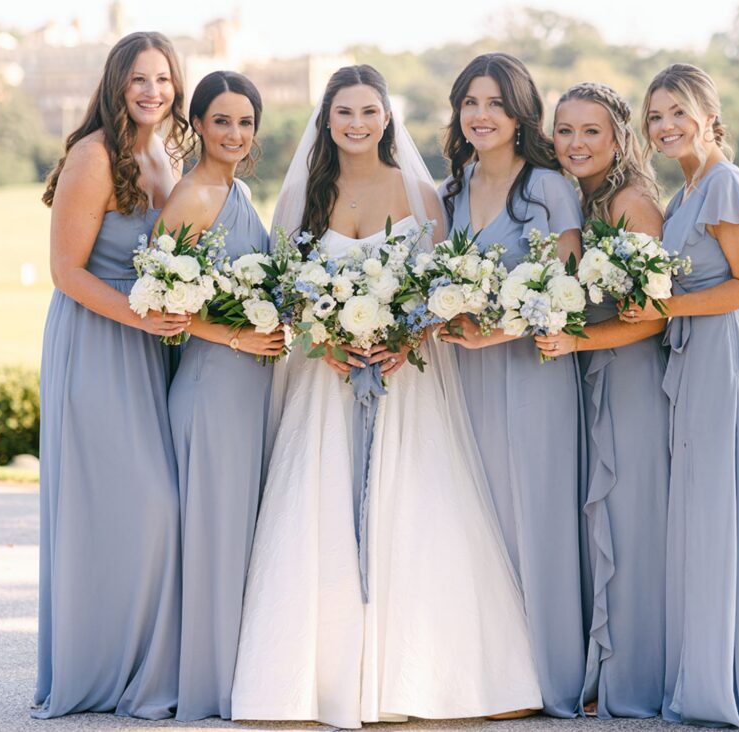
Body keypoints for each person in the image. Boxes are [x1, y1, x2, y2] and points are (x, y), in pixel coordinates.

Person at [230, 64, 541, 729]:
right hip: (326, 379)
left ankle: (427, 677)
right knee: (319, 515)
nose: (357, 124)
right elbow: (284, 295)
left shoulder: (416, 190)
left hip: (404, 382)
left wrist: (404, 340)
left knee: (416, 514)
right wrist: (325, 338)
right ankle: (310, 681)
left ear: (387, 118)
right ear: (327, 119)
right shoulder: (309, 196)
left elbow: (438, 286)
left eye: (369, 111)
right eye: (344, 112)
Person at [623, 62, 739, 729]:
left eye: (676, 112)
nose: (664, 126)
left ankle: (735, 685)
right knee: (708, 516)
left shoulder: (724, 183)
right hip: (699, 358)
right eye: (655, 116)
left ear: (708, 113)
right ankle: (721, 673)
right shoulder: (686, 191)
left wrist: (665, 303)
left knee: (727, 514)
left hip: (730, 360)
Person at [35, 31, 187, 719]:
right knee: (139, 505)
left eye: (163, 79)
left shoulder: (166, 153)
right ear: (116, 84)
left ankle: (140, 668)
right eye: (139, 79)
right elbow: (65, 272)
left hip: (149, 345)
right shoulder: (94, 156)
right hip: (98, 341)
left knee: (154, 509)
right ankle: (98, 670)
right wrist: (142, 318)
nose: (152, 90)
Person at [438, 52, 586, 718]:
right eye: (471, 101)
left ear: (520, 110)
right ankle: (497, 678)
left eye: (495, 102)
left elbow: (569, 291)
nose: (481, 115)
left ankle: (552, 677)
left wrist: (499, 331)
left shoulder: (550, 187)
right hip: (465, 376)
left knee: (538, 516)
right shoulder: (452, 188)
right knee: (483, 518)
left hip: (533, 374)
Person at [537, 81, 669, 719]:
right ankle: (605, 671)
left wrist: (574, 337)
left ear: (618, 137)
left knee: (632, 525)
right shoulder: (576, 201)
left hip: (633, 378)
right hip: (593, 373)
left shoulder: (632, 202)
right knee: (603, 525)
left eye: (591, 131)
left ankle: (636, 680)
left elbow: (653, 317)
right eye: (565, 130)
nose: (575, 143)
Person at [158, 70, 284, 722]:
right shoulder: (195, 195)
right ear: (198, 125)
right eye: (222, 121)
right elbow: (158, 304)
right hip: (212, 387)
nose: (234, 133)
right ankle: (204, 687)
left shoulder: (236, 191)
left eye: (244, 122)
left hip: (245, 389)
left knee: (235, 533)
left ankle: (234, 675)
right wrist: (238, 340)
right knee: (212, 536)